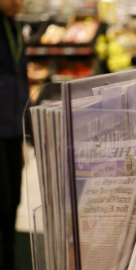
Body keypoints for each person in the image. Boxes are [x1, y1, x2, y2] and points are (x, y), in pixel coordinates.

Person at [0, 0, 29, 269]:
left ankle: (8, 259)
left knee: (13, 201)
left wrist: (22, 134)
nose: (18, 2)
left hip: (11, 127)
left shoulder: (14, 26)